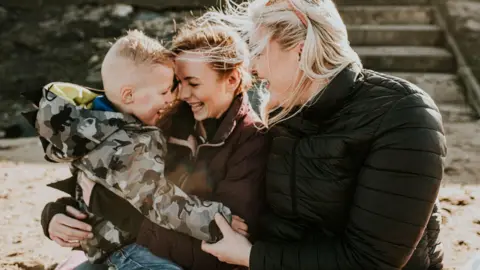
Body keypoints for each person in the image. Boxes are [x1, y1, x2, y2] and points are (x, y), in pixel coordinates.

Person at [199, 0, 446, 269]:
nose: (253, 69)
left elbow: (370, 261)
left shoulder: (402, 114)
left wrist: (250, 256)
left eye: (258, 51)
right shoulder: (284, 113)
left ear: (301, 50)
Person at [39, 21, 269, 270]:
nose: (180, 95)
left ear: (232, 79)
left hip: (167, 257)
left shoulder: (252, 141)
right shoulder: (159, 120)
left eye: (193, 83)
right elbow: (96, 180)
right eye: (177, 83)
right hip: (123, 250)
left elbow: (225, 239)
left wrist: (119, 212)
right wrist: (56, 214)